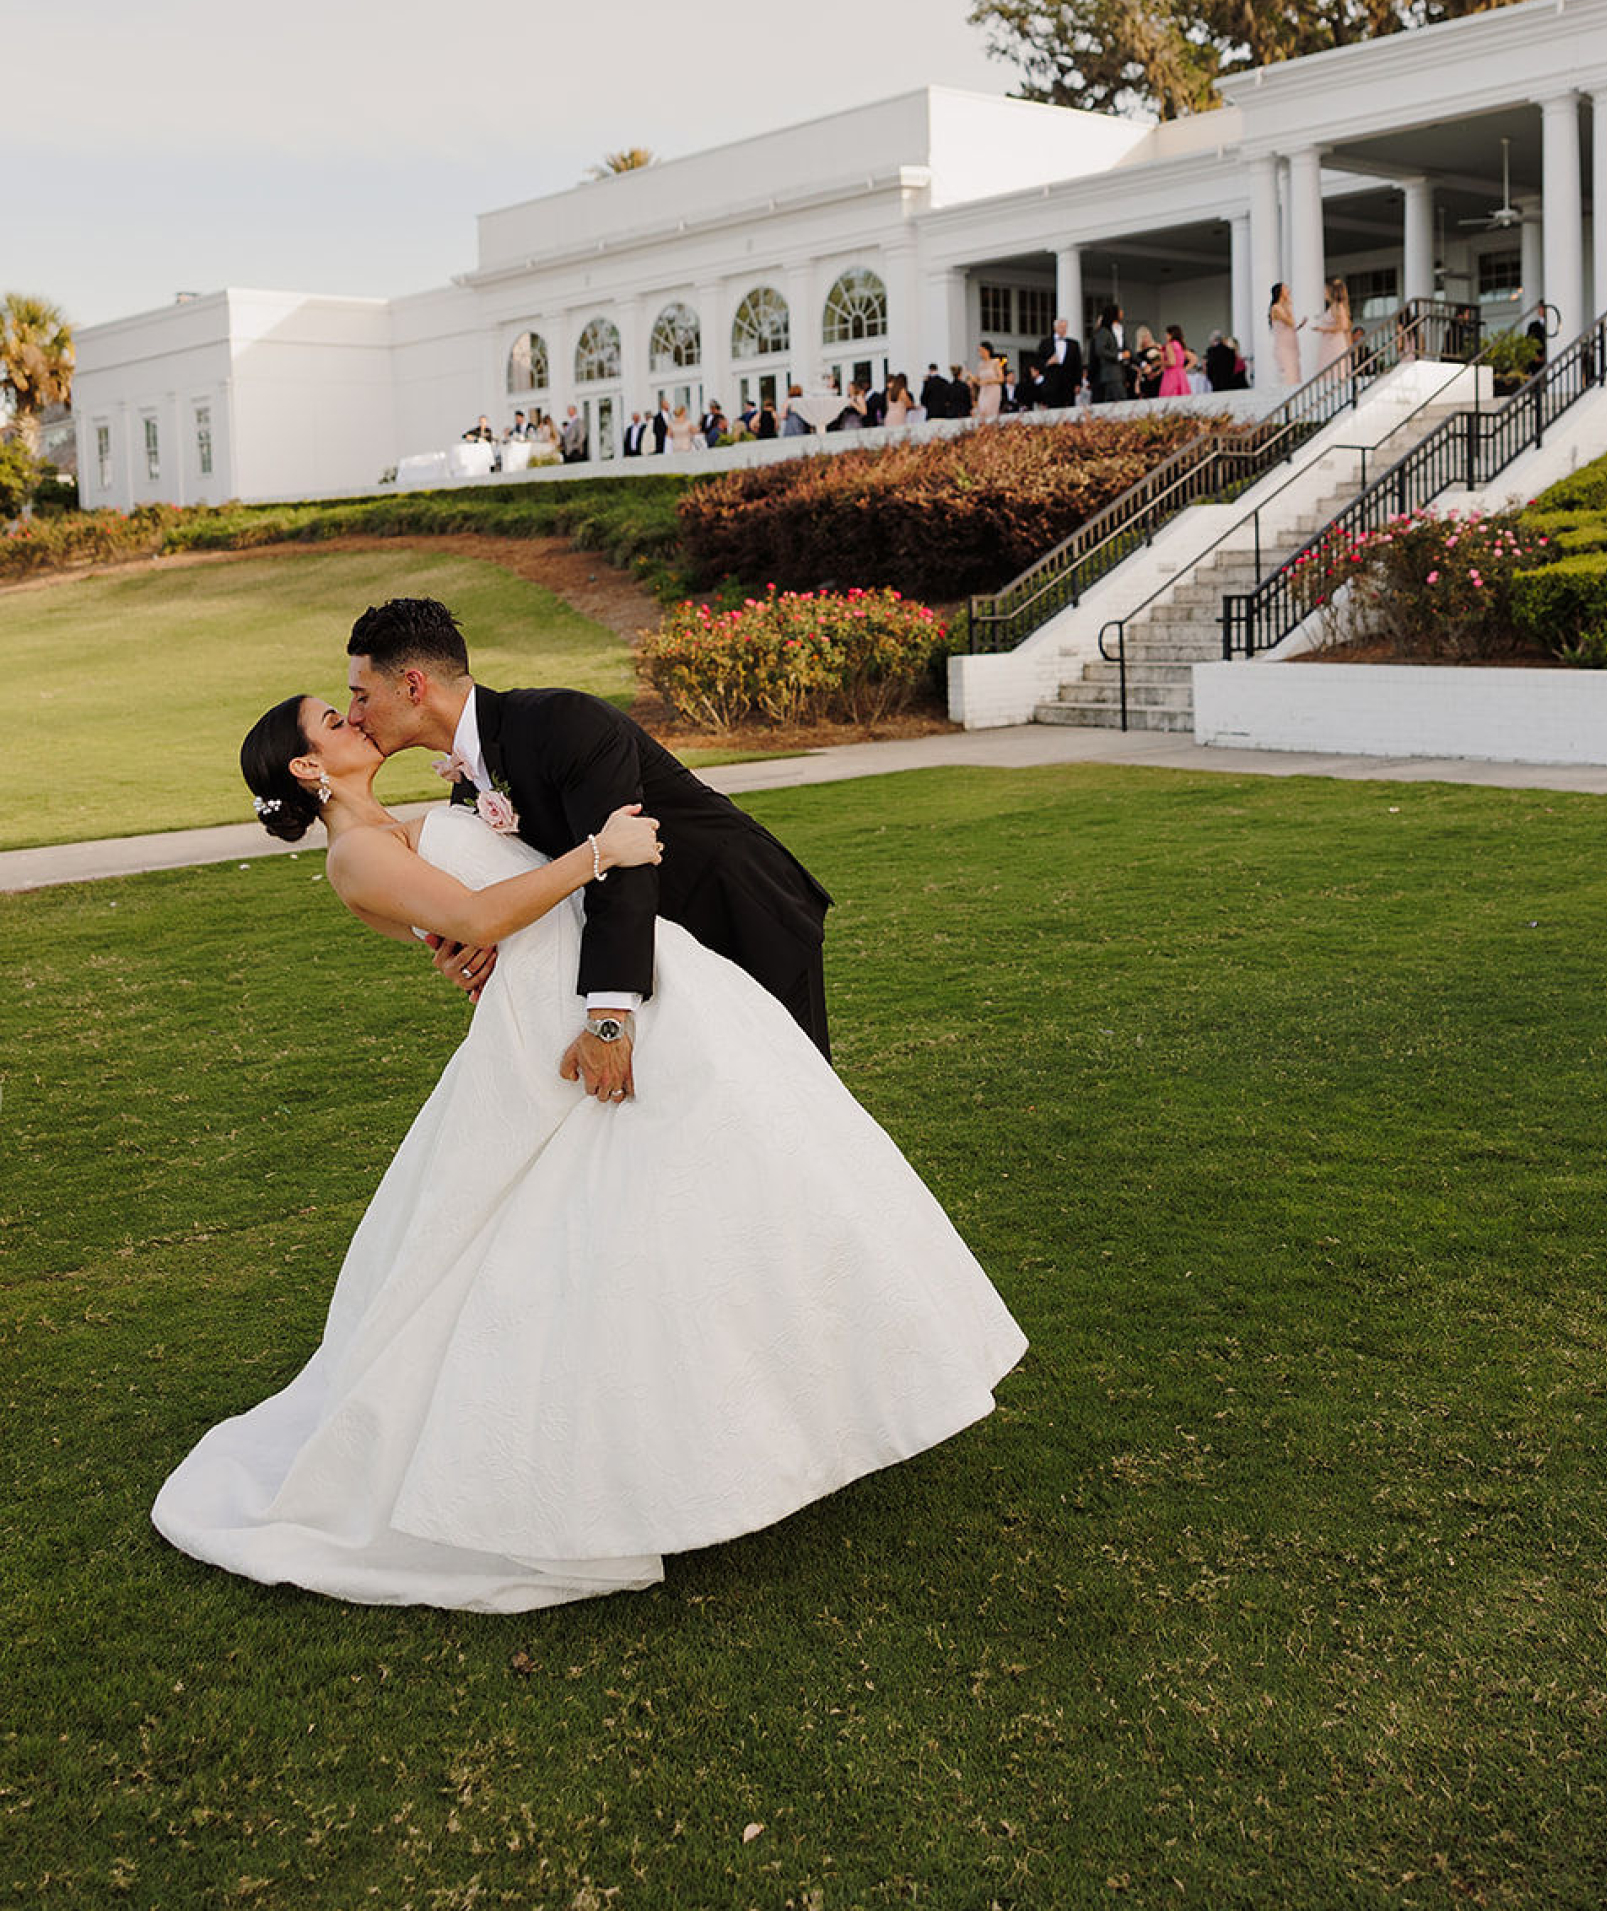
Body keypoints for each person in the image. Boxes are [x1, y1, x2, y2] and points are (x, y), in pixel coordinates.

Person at [151, 688, 1025, 1611]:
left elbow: (463, 928)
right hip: (561, 1014)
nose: (355, 718)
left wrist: (468, 934)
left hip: (602, 981)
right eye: (335, 720)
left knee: (739, 1159)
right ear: (306, 767)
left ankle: (806, 1387)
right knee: (600, 1210)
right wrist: (596, 855)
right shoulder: (358, 852)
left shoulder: (408, 821)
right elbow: (480, 921)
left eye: (353, 701)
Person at [343, 594, 833, 1064]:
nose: (354, 716)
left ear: (413, 686)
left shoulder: (562, 722)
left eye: (362, 696)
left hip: (740, 916)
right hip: (664, 957)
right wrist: (467, 953)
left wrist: (608, 1018)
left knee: (798, 1111)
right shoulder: (468, 788)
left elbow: (626, 858)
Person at [1035, 319, 1082, 408]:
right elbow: (1037, 361)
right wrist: (1048, 362)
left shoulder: (1074, 344)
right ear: (1055, 328)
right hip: (1052, 384)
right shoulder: (1045, 343)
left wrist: (1078, 383)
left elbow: (1078, 365)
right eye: (1061, 327)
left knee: (1069, 410)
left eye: (1065, 327)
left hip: (1068, 384)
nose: (1063, 329)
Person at [1310, 279, 1353, 374]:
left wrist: (1323, 329)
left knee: (1334, 371)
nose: (1324, 293)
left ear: (1331, 291)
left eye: (1325, 290)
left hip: (1334, 343)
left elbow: (1343, 325)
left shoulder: (1338, 307)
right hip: (1329, 343)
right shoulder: (1333, 307)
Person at [1087, 305, 1129, 403]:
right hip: (1103, 375)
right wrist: (1091, 378)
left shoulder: (1118, 331)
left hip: (1115, 374)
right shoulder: (1102, 333)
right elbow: (1096, 355)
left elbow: (1127, 350)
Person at [1268, 285, 1301, 390]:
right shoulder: (1276, 307)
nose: (1288, 290)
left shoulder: (1284, 307)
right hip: (1283, 346)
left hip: (1290, 344)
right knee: (1288, 372)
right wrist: (1289, 305)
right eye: (1285, 288)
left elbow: (1291, 326)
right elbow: (1290, 322)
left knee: (1295, 370)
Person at [973, 342, 1006, 421]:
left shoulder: (995, 362)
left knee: (990, 411)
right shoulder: (980, 364)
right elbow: (978, 380)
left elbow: (1001, 379)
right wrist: (972, 379)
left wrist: (988, 381)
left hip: (993, 390)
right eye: (979, 351)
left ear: (987, 351)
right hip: (983, 391)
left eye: (981, 350)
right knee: (981, 410)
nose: (979, 353)